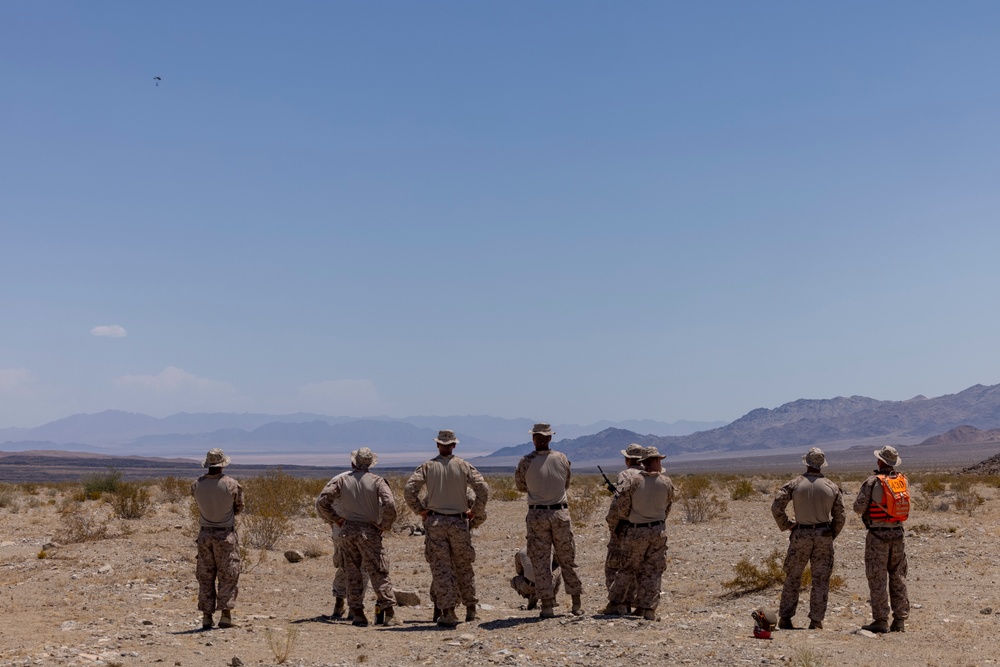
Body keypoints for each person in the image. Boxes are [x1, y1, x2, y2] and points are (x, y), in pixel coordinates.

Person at [404, 429, 489, 627]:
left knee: (441, 569)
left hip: (436, 523)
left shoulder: (427, 467)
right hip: (459, 522)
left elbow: (409, 489)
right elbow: (482, 488)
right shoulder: (464, 466)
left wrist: (420, 510)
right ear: (454, 445)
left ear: (437, 445)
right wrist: (475, 510)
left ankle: (449, 613)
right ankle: (470, 610)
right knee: (464, 566)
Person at [316, 447, 399, 627]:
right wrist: (384, 525)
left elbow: (323, 501)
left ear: (353, 462)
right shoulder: (378, 481)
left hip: (348, 531)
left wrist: (336, 519)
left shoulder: (342, 480)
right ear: (370, 464)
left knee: (352, 572)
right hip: (369, 531)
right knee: (378, 571)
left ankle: (358, 614)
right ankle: (390, 613)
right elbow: (390, 504)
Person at [770, 447, 846, 630]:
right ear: (822, 464)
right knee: (821, 579)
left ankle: (786, 618)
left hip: (801, 535)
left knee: (793, 576)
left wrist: (787, 524)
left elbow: (776, 506)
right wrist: (830, 534)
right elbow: (841, 516)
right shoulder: (832, 487)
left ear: (806, 463)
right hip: (823, 536)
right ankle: (816, 620)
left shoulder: (795, 484)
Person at [514, 423, 584, 618]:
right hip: (559, 514)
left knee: (541, 560)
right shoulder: (562, 459)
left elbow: (520, 485)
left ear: (534, 439)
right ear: (549, 438)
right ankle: (576, 603)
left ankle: (547, 605)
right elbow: (566, 483)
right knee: (566, 558)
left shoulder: (526, 462)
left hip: (537, 515)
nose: (541, 440)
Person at [603, 446, 674, 620]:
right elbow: (668, 507)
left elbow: (622, 507)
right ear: (656, 461)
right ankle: (647, 608)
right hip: (658, 531)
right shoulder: (667, 482)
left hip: (636, 531)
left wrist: (634, 517)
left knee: (627, 568)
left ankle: (616, 603)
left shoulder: (634, 482)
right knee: (653, 570)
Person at [853, 445, 909, 633]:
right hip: (898, 535)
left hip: (877, 535)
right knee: (898, 576)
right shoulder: (903, 480)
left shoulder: (872, 482)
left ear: (880, 461)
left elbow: (858, 507)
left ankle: (880, 620)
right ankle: (900, 620)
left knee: (877, 578)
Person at [191, 448, 244, 629]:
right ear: (222, 464)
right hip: (225, 534)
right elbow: (238, 508)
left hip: (205, 534)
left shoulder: (196, 484)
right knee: (228, 573)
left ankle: (207, 617)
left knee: (206, 575)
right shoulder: (232, 484)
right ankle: (225, 616)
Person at [603, 443, 646, 613]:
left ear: (628, 459)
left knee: (614, 566)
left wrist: (613, 524)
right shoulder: (649, 474)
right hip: (644, 527)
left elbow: (619, 503)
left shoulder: (625, 475)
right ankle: (639, 603)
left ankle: (618, 603)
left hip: (624, 527)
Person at [325, 470, 369, 621]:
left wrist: (334, 520)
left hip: (341, 530)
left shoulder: (338, 479)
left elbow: (321, 503)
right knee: (362, 568)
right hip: (365, 532)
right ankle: (355, 609)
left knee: (345, 565)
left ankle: (339, 604)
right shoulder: (374, 480)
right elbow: (386, 505)